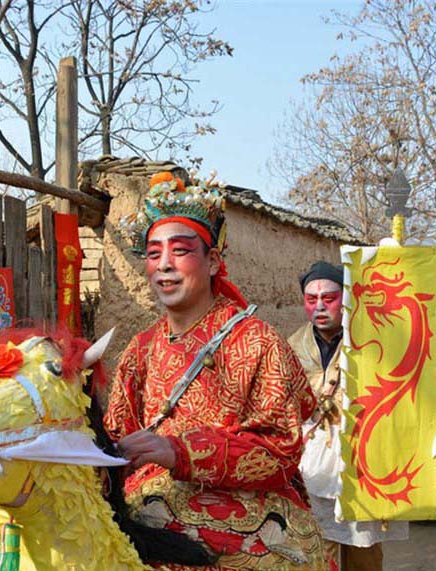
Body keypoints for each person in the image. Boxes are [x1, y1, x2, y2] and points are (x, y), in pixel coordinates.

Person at [107, 171, 329, 570]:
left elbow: (281, 451)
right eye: (154, 253)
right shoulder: (138, 351)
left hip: (247, 523)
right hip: (150, 517)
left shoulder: (258, 342)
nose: (164, 265)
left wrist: (180, 451)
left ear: (212, 262)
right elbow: (116, 442)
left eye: (180, 251)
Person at [288, 261, 407, 571]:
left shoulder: (372, 340)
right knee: (314, 552)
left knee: (363, 552)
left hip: (361, 460)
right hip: (311, 464)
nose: (319, 306)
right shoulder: (290, 346)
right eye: (311, 299)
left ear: (346, 298)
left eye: (329, 298)